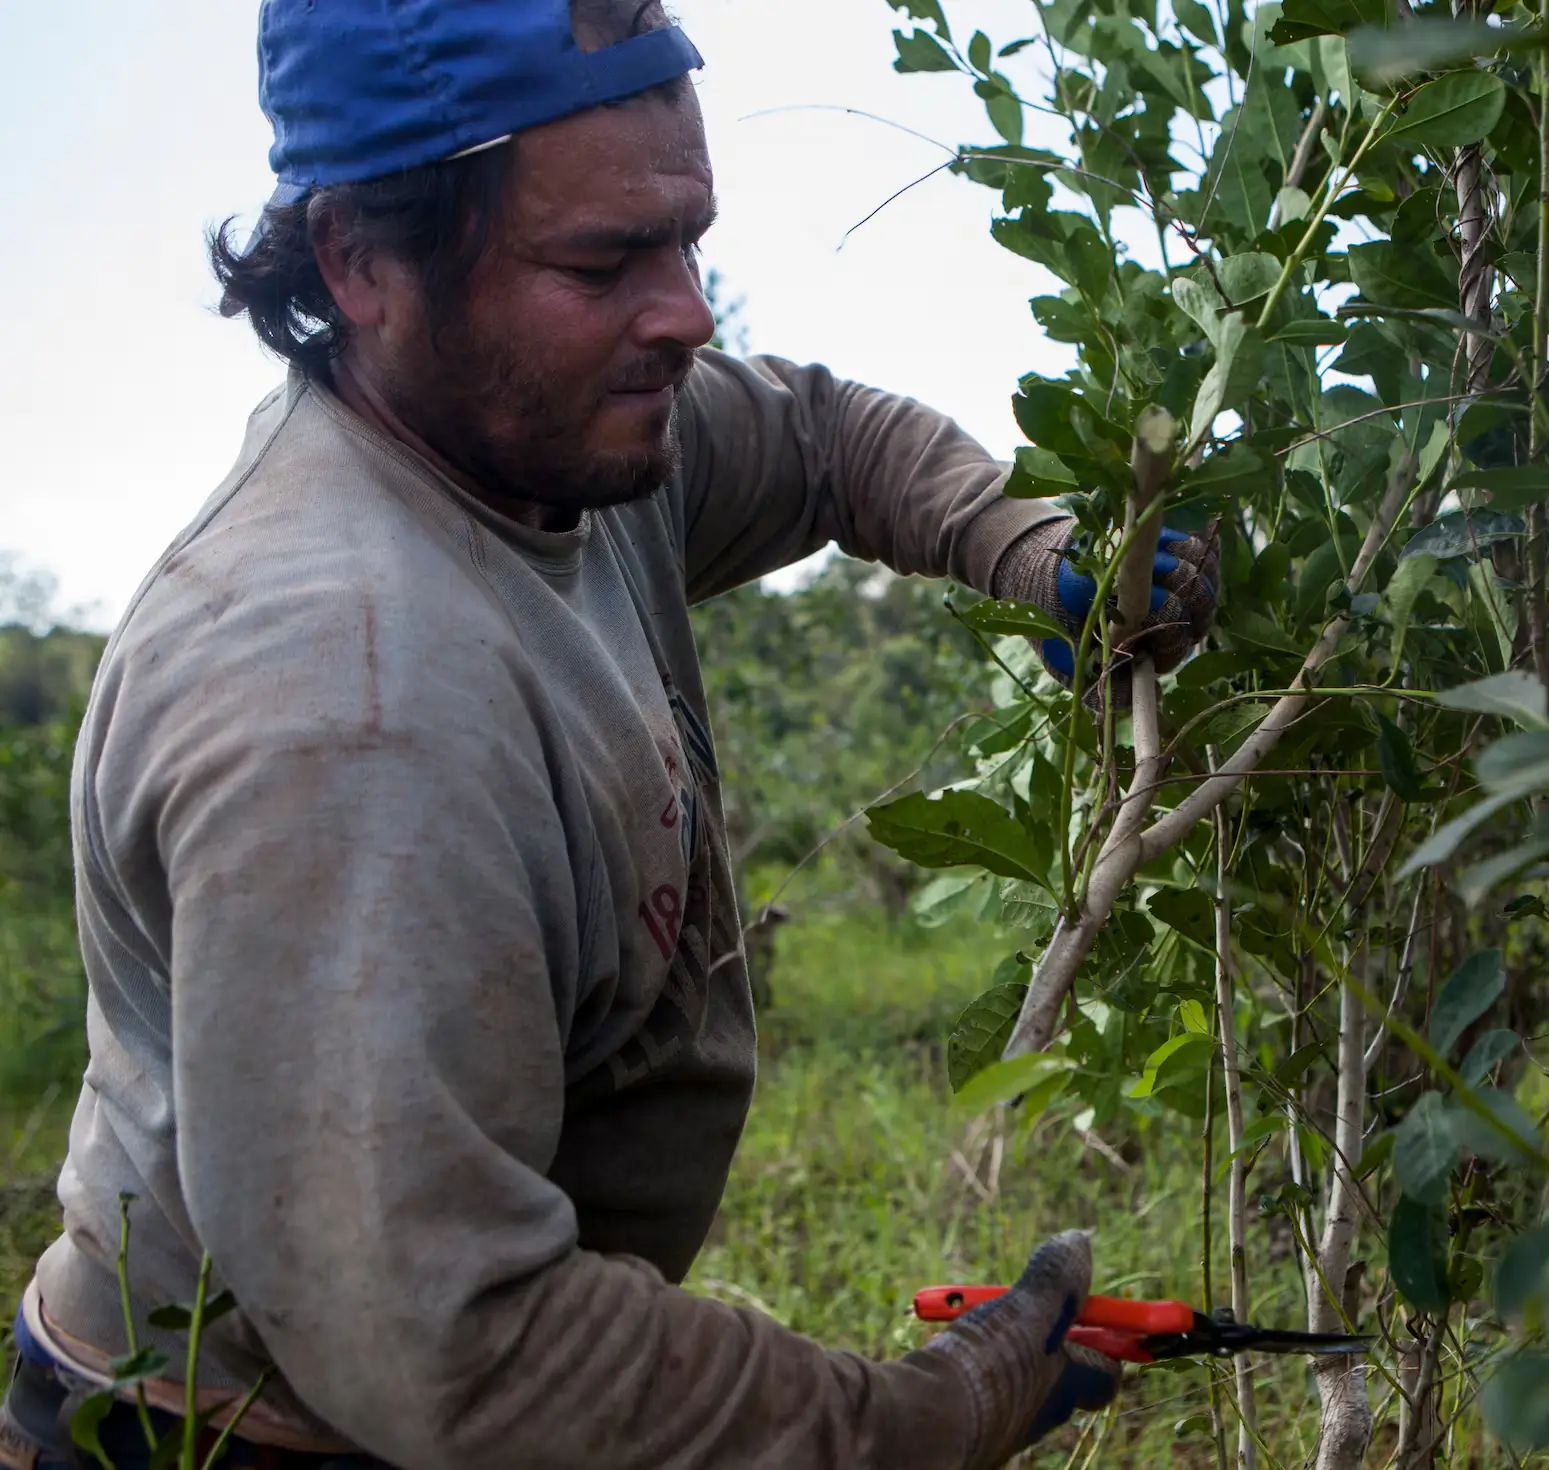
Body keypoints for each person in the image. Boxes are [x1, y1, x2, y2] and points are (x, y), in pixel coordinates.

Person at [1, 2, 1217, 1467]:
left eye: (686, 239)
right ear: (360, 258)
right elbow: (465, 1348)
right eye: (602, 264)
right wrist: (921, 1416)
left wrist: (1032, 547)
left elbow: (824, 436)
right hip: (245, 1429)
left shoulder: (555, 443)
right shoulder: (348, 707)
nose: (689, 311)